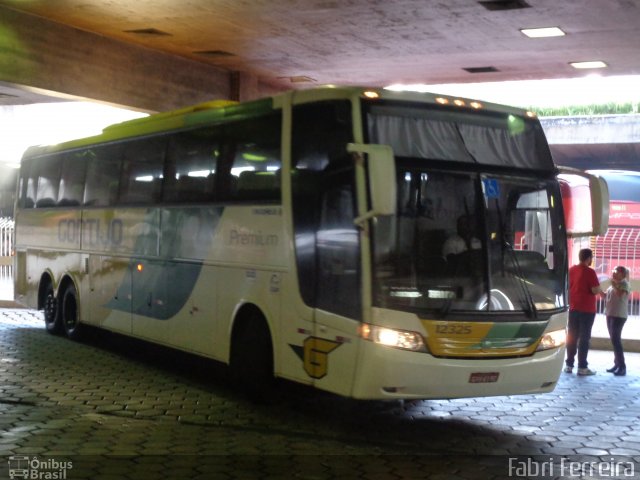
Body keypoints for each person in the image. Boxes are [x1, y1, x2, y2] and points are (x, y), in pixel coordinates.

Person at [565, 248, 602, 376]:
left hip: (573, 308)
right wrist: (601, 290)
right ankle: (582, 367)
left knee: (572, 337)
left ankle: (569, 365)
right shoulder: (590, 272)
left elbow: (568, 287)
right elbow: (594, 290)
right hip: (587, 310)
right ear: (589, 259)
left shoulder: (571, 270)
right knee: (584, 338)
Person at [605, 266, 630, 376]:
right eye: (613, 271)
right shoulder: (613, 285)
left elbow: (620, 294)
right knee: (614, 340)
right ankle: (616, 364)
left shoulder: (624, 283)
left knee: (616, 340)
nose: (614, 273)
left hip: (619, 316)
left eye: (616, 272)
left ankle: (622, 366)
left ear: (622, 274)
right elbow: (607, 296)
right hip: (610, 314)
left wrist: (613, 285)